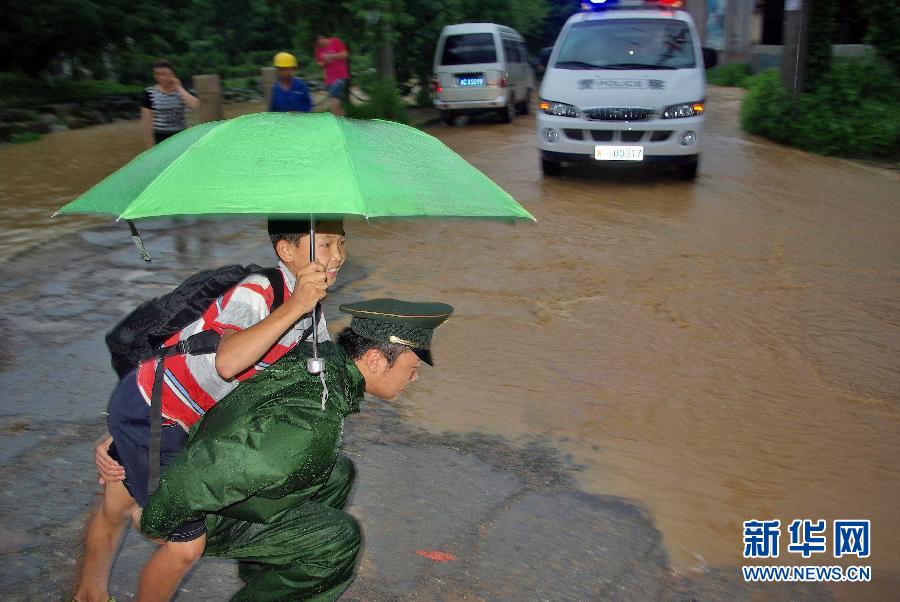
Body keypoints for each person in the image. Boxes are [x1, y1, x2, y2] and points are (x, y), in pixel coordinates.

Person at [74, 219, 347, 602]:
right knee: (184, 544)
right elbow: (228, 362)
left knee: (117, 503)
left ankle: (88, 593)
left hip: (175, 414)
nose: (337, 256)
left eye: (342, 244)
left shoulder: (312, 317)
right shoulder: (257, 292)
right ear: (286, 251)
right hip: (157, 410)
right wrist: (297, 306)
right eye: (327, 244)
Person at [139, 298, 453, 600]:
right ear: (374, 359)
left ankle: (270, 572)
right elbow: (208, 471)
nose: (414, 377)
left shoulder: (320, 357)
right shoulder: (312, 424)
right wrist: (158, 523)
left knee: (337, 472)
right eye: (411, 367)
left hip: (186, 455)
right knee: (338, 541)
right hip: (183, 501)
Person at [141, 59, 201, 149]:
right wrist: (149, 147)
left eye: (164, 74)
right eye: (157, 74)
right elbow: (147, 122)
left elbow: (196, 105)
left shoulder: (181, 91)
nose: (161, 77)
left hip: (181, 135)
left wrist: (179, 88)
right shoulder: (149, 92)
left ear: (172, 74)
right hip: (160, 137)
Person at [315, 35, 350, 116]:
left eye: (319, 43)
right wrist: (325, 62)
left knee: (333, 100)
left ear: (322, 38)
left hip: (340, 76)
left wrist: (331, 56)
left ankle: (337, 123)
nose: (319, 46)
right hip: (329, 79)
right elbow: (319, 64)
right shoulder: (317, 48)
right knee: (337, 104)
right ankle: (346, 124)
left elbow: (345, 54)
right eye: (317, 45)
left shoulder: (335, 41)